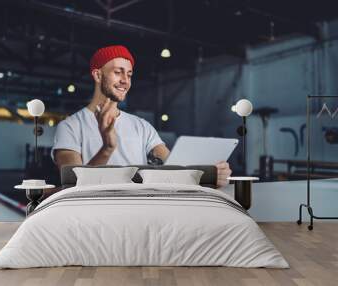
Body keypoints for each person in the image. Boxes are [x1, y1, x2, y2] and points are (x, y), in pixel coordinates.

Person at [51, 45, 232, 187]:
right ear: (98, 75)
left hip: (139, 207)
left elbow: (174, 167)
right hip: (96, 209)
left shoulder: (142, 126)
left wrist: (209, 174)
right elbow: (73, 183)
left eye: (129, 74)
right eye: (118, 72)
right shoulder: (70, 126)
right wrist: (107, 148)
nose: (125, 80)